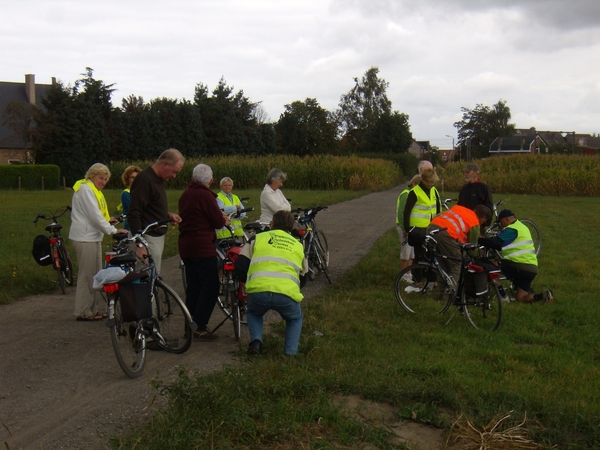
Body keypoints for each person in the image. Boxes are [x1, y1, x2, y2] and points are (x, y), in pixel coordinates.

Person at [235, 210, 308, 356]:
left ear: (272, 223)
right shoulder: (298, 245)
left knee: (254, 313)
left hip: (258, 291)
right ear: (291, 226)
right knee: (294, 318)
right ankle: (290, 353)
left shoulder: (257, 238)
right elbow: (304, 276)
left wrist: (250, 281)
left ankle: (256, 342)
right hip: (286, 294)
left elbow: (240, 266)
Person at [69, 163, 128, 321]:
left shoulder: (92, 190)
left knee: (95, 275)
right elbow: (94, 215)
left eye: (106, 179)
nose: (103, 182)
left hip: (92, 236)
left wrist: (109, 221)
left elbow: (97, 215)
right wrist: (112, 230)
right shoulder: (85, 189)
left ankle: (92, 309)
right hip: (84, 236)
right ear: (91, 176)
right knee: (87, 275)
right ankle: (83, 310)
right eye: (100, 178)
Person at [178, 164, 230, 340]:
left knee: (194, 287)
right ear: (211, 180)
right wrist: (222, 218)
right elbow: (216, 221)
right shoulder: (206, 196)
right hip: (203, 247)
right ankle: (199, 326)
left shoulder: (185, 195)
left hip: (186, 246)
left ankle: (189, 325)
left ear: (192, 178)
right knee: (210, 286)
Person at [478, 209, 554, 303]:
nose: (501, 225)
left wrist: (480, 240)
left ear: (506, 220)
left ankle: (502, 296)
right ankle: (543, 296)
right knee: (521, 298)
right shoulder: (523, 227)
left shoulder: (513, 229)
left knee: (490, 267)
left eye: (501, 222)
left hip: (519, 265)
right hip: (531, 269)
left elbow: (497, 243)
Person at [128, 149, 183, 274]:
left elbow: (150, 206)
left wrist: (167, 215)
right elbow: (134, 212)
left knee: (153, 279)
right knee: (146, 281)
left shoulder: (157, 179)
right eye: (174, 172)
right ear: (166, 164)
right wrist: (140, 245)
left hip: (155, 238)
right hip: (147, 239)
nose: (174, 176)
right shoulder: (145, 180)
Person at [426, 204, 492, 285]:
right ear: (483, 218)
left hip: (432, 228)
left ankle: (440, 292)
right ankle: (449, 294)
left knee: (443, 265)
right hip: (445, 234)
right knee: (456, 265)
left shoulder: (460, 208)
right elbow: (472, 249)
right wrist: (479, 254)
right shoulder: (474, 222)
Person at [403, 168, 441, 264]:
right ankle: (417, 278)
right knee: (419, 256)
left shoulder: (434, 191)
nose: (430, 184)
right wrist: (407, 229)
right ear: (423, 180)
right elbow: (407, 211)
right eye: (428, 182)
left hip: (431, 227)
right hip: (417, 229)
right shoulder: (414, 192)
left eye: (432, 182)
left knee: (432, 255)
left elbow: (438, 208)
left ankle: (430, 278)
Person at [396, 175, 421, 277]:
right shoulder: (406, 194)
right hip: (404, 227)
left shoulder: (411, 193)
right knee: (405, 252)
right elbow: (402, 213)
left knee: (411, 253)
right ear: (413, 184)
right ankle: (403, 274)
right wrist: (404, 228)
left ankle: (409, 273)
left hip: (411, 227)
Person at [117, 165, 142, 231]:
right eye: (132, 177)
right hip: (131, 227)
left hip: (143, 226)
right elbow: (136, 209)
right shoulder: (125, 194)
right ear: (127, 179)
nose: (135, 180)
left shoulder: (141, 192)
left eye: (137, 177)